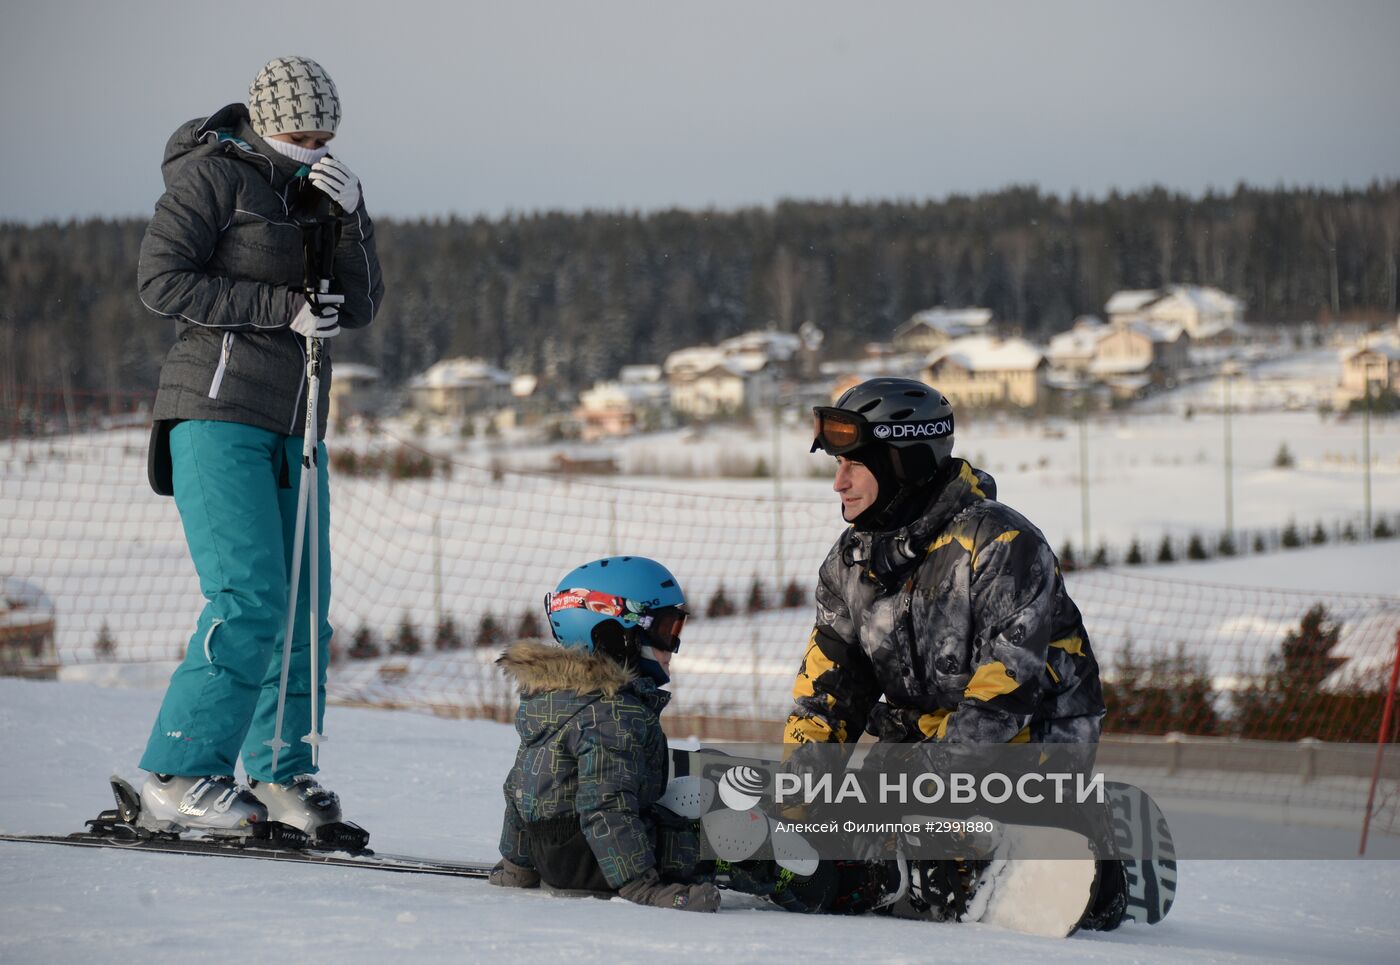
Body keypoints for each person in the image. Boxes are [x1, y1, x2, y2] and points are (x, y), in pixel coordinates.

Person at [133, 56, 384, 842]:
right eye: (298, 132)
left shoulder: (325, 188)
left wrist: (353, 223)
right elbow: (161, 280)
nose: (313, 145)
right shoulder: (213, 179)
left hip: (299, 422)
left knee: (304, 610)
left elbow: (364, 301)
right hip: (216, 410)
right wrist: (281, 307)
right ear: (262, 121)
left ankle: (280, 769)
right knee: (249, 598)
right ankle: (178, 771)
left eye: (325, 133)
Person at [787, 376, 1122, 927]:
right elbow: (826, 693)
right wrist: (798, 798)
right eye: (836, 466)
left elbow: (1005, 694)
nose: (838, 483)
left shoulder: (1002, 545)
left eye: (853, 465)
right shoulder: (849, 564)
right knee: (839, 845)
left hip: (1028, 747)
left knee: (937, 852)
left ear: (902, 462)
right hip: (917, 752)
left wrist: (916, 788)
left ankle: (1098, 863)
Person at [488, 556, 721, 912]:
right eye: (666, 629)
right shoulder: (612, 712)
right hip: (602, 867)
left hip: (560, 857)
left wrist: (517, 866)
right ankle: (796, 871)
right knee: (723, 809)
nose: (673, 646)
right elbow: (606, 805)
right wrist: (644, 888)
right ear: (618, 633)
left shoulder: (553, 701)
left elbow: (521, 788)